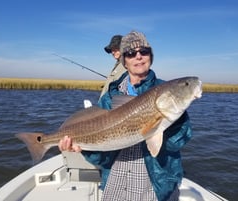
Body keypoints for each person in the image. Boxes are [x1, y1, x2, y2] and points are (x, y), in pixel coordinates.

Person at [59, 31, 192, 201]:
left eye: (143, 51)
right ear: (124, 61)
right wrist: (82, 148)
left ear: (150, 56)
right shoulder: (110, 96)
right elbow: (102, 157)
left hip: (154, 186)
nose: (138, 57)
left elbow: (178, 142)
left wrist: (167, 117)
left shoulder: (165, 91)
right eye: (131, 53)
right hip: (116, 183)